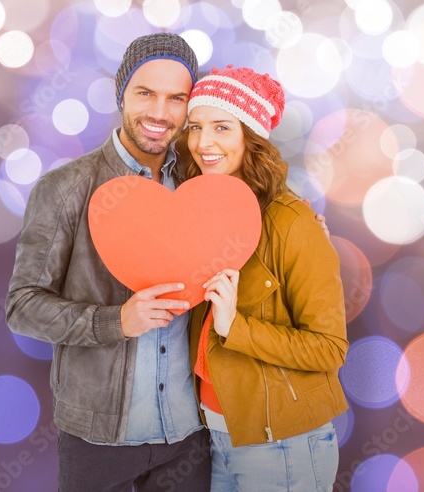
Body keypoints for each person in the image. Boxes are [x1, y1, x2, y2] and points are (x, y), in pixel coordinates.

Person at [5, 33, 212, 491]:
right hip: (97, 437)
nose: (160, 113)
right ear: (122, 94)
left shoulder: (200, 186)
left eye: (177, 98)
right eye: (145, 93)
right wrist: (116, 320)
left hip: (189, 433)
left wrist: (298, 220)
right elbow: (22, 306)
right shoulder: (65, 189)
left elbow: (246, 221)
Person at [178, 65, 349, 491]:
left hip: (283, 445)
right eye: (196, 127)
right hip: (219, 434)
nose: (204, 142)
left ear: (250, 137)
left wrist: (235, 327)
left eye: (222, 127)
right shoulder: (201, 214)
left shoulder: (292, 222)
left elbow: (330, 349)